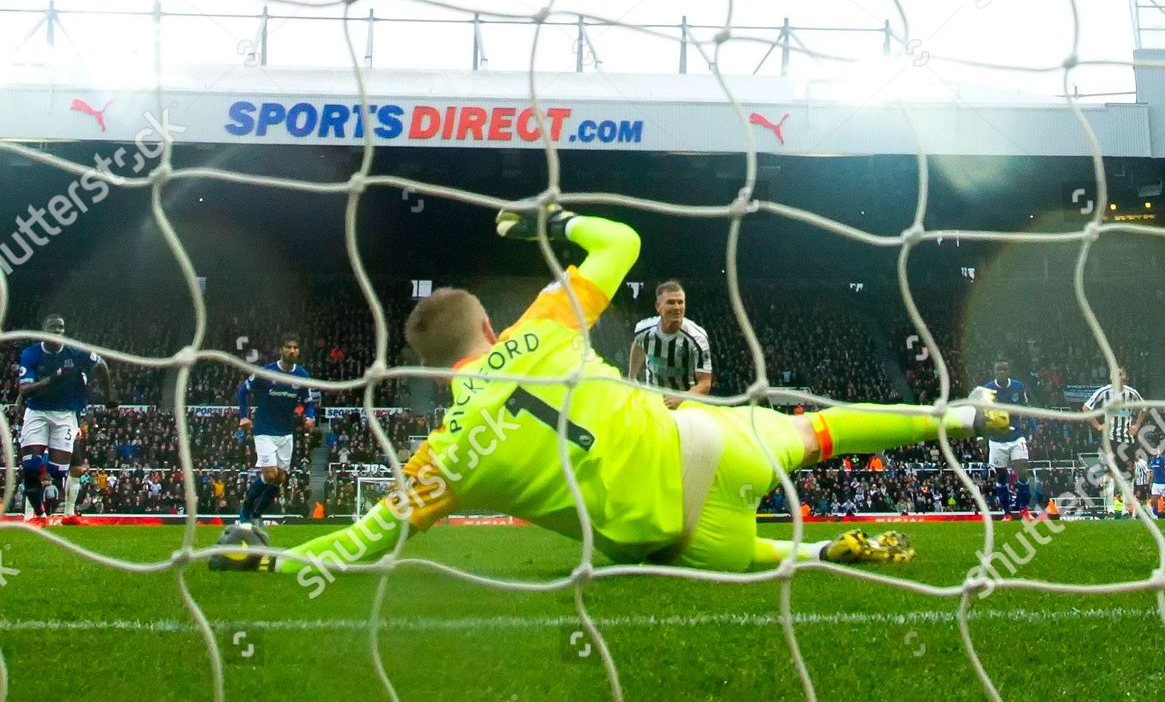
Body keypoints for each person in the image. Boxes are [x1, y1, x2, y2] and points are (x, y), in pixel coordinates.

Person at [219, 209, 1013, 579]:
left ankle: (812, 554)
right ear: (488, 326)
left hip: (672, 538)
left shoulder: (444, 454)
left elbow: (362, 544)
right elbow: (624, 243)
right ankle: (957, 414)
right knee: (814, 435)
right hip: (704, 447)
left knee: (710, 552)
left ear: (432, 374)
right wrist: (552, 219)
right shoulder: (543, 324)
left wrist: (275, 560)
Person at [14, 314, 115, 526]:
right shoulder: (31, 354)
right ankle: (34, 516)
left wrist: (109, 395)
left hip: (67, 416)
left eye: (61, 328)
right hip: (38, 412)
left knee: (61, 471)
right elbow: (24, 388)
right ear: (43, 331)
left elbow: (102, 365)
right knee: (32, 465)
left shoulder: (77, 353)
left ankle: (64, 513)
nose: (58, 332)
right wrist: (50, 381)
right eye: (53, 328)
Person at [235, 334, 315, 525]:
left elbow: (308, 402)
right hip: (264, 430)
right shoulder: (267, 372)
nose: (292, 351)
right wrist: (244, 415)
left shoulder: (302, 376)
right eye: (288, 347)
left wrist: (310, 417)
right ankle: (246, 509)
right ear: (281, 349)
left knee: (279, 478)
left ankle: (257, 513)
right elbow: (242, 390)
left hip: (286, 432)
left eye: (295, 348)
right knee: (270, 473)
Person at [630, 281, 712, 408]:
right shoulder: (643, 330)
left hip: (686, 404)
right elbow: (638, 344)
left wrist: (681, 399)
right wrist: (632, 377)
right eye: (671, 302)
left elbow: (705, 383)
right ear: (658, 306)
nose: (677, 307)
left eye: (680, 302)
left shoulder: (697, 338)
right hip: (653, 400)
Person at [1083, 369, 1144, 515]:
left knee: (1127, 475)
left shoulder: (1132, 393)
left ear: (1125, 377)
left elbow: (1145, 407)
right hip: (1110, 439)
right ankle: (1110, 509)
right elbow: (1086, 407)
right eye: (1115, 373)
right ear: (1110, 377)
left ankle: (1124, 510)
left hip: (1127, 440)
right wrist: (1097, 425)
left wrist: (1137, 425)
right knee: (1109, 475)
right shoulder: (1104, 392)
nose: (1118, 376)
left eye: (1121, 373)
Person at [980, 361, 1032, 519]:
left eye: (1004, 369)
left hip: (1016, 436)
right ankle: (1007, 513)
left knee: (1022, 470)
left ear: (1009, 371)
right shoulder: (988, 389)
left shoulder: (1018, 386)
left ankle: (1024, 510)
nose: (1001, 372)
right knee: (1001, 476)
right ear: (994, 371)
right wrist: (981, 435)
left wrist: (1034, 427)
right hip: (997, 439)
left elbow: (1026, 406)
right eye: (998, 369)